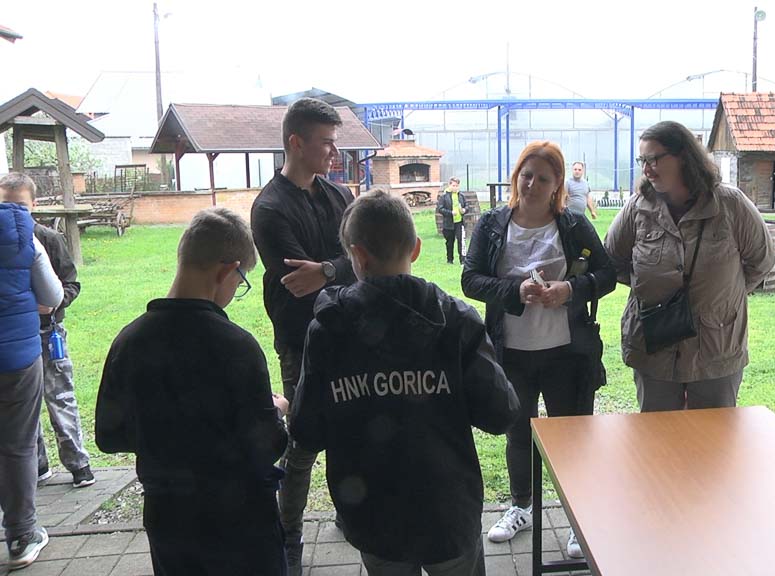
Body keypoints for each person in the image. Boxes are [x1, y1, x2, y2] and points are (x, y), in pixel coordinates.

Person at [290, 190, 519, 576]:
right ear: (415, 248)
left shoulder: (329, 329)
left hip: (373, 516)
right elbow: (502, 413)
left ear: (357, 256)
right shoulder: (456, 320)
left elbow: (306, 429)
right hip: (448, 510)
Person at [95, 207, 290, 576]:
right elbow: (267, 445)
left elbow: (108, 436)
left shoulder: (130, 341)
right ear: (226, 272)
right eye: (241, 282)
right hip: (240, 521)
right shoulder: (237, 347)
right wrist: (276, 411)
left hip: (169, 519)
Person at [461, 141, 615, 559]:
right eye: (525, 175)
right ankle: (521, 507)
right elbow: (470, 280)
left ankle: (576, 521)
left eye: (542, 178)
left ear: (557, 184)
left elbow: (607, 274)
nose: (531, 184)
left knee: (572, 438)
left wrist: (569, 289)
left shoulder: (573, 225)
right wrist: (515, 290)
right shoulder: (493, 224)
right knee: (519, 432)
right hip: (511, 351)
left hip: (567, 353)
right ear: (516, 176)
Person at [251, 97, 357, 575]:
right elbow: (298, 282)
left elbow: (363, 256)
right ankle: (288, 533)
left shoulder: (340, 196)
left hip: (350, 333)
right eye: (326, 142)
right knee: (302, 441)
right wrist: (344, 267)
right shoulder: (269, 209)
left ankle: (349, 513)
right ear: (296, 142)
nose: (334, 152)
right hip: (302, 342)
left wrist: (329, 269)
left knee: (350, 433)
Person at [604, 120, 775, 413]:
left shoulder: (731, 205)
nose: (647, 169)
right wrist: (649, 285)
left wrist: (724, 295)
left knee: (712, 435)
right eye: (642, 161)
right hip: (654, 346)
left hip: (716, 348)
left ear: (683, 156)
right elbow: (610, 260)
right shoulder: (637, 208)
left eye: (654, 159)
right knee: (657, 434)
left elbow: (762, 261)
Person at [0, 173, 94, 490]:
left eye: (20, 205)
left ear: (34, 205)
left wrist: (54, 304)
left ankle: (79, 464)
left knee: (60, 397)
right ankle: (38, 466)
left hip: (49, 333)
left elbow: (71, 283)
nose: (13, 211)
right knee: (25, 405)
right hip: (15, 341)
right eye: (6, 204)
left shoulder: (48, 239)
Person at [1, 198, 62, 570]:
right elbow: (53, 296)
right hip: (17, 358)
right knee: (18, 445)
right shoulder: (20, 231)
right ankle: (22, 536)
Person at [436, 177, 468, 264]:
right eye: (453, 185)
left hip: (459, 222)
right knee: (450, 242)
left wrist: (464, 210)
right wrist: (450, 213)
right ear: (449, 185)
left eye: (457, 186)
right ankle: (450, 260)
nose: (455, 187)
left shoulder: (461, 196)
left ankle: (463, 260)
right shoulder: (444, 196)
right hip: (448, 223)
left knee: (461, 241)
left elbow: (466, 206)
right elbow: (440, 209)